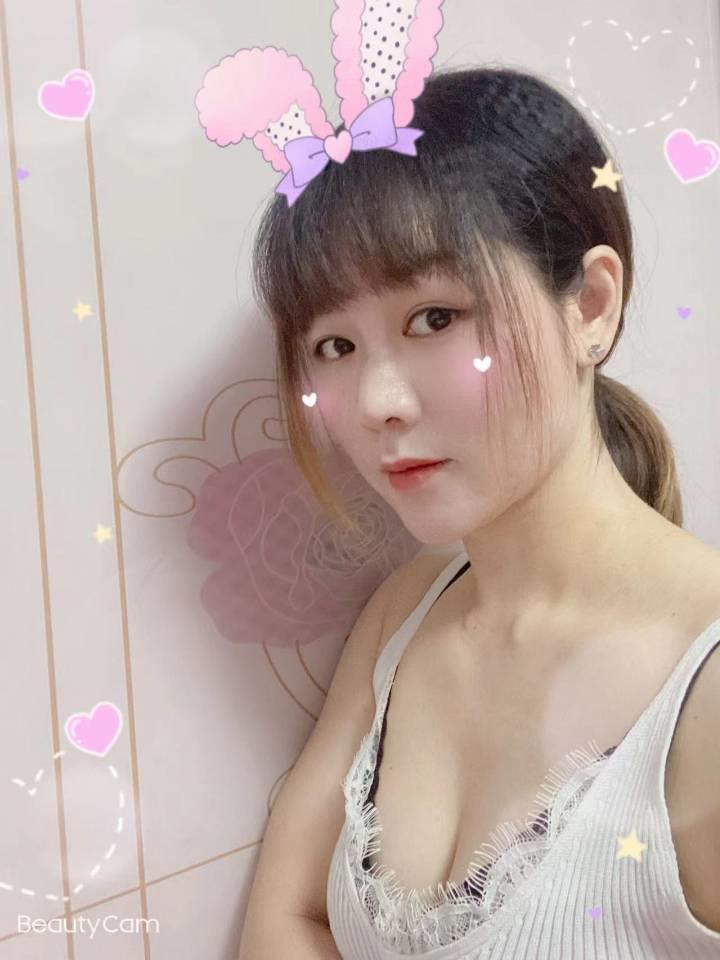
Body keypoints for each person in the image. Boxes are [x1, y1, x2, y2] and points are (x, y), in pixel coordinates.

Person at [244, 65, 720, 958]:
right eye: (335, 344)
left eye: (435, 318)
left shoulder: (705, 692)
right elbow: (288, 915)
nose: (377, 402)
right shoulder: (404, 613)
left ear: (590, 305)